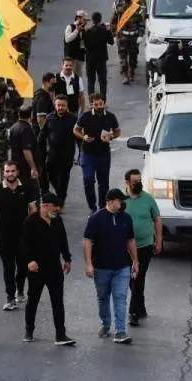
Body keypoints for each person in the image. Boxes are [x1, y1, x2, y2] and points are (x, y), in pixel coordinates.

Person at [82, 188, 138, 344]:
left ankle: (120, 331)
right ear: (110, 202)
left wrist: (135, 261)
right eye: (120, 200)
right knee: (103, 298)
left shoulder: (126, 218)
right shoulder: (96, 219)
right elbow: (87, 241)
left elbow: (131, 241)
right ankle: (106, 323)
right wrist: (88, 264)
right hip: (101, 268)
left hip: (122, 267)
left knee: (120, 298)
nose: (122, 203)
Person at [18, 193, 75, 346]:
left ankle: (60, 334)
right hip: (37, 269)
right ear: (45, 206)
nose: (57, 209)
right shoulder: (30, 222)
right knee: (33, 301)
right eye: (54, 206)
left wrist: (67, 258)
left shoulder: (57, 221)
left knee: (58, 302)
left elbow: (63, 240)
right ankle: (29, 330)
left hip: (54, 268)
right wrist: (29, 261)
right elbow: (24, 245)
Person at [0, 160, 39, 311]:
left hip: (23, 235)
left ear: (17, 172)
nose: (10, 174)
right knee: (8, 266)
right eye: (7, 171)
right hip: (4, 235)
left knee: (23, 265)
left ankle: (20, 289)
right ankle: (10, 297)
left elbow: (32, 209)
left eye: (12, 171)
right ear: (3, 173)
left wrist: (36, 230)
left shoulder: (26, 188)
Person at [122, 169, 162, 326]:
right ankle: (140, 305)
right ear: (127, 182)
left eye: (139, 181)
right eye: (134, 181)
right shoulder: (122, 200)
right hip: (124, 248)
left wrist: (158, 240)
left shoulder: (148, 199)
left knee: (138, 277)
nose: (138, 184)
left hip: (145, 246)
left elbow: (157, 219)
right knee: (131, 279)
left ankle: (133, 312)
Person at [74, 92, 119, 211]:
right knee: (88, 180)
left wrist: (111, 136)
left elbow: (117, 131)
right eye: (96, 104)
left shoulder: (110, 116)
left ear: (104, 103)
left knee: (103, 183)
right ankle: (93, 207)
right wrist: (83, 137)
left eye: (101, 104)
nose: (99, 106)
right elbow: (76, 130)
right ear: (91, 104)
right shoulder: (85, 116)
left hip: (103, 154)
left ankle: (102, 207)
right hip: (88, 154)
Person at [40, 95, 78, 210]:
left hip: (67, 156)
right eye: (58, 105)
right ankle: (60, 194)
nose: (60, 107)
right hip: (52, 155)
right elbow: (42, 136)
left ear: (67, 106)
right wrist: (39, 153)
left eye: (63, 105)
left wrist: (81, 153)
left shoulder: (73, 119)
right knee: (51, 176)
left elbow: (79, 138)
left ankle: (59, 202)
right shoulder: (50, 118)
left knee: (63, 180)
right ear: (55, 105)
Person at [82, 11, 112, 99]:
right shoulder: (104, 30)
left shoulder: (88, 31)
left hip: (90, 59)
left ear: (92, 20)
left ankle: (91, 100)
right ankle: (103, 100)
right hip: (101, 59)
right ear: (100, 19)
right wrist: (108, 30)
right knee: (102, 81)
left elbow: (84, 45)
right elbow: (111, 41)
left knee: (91, 81)